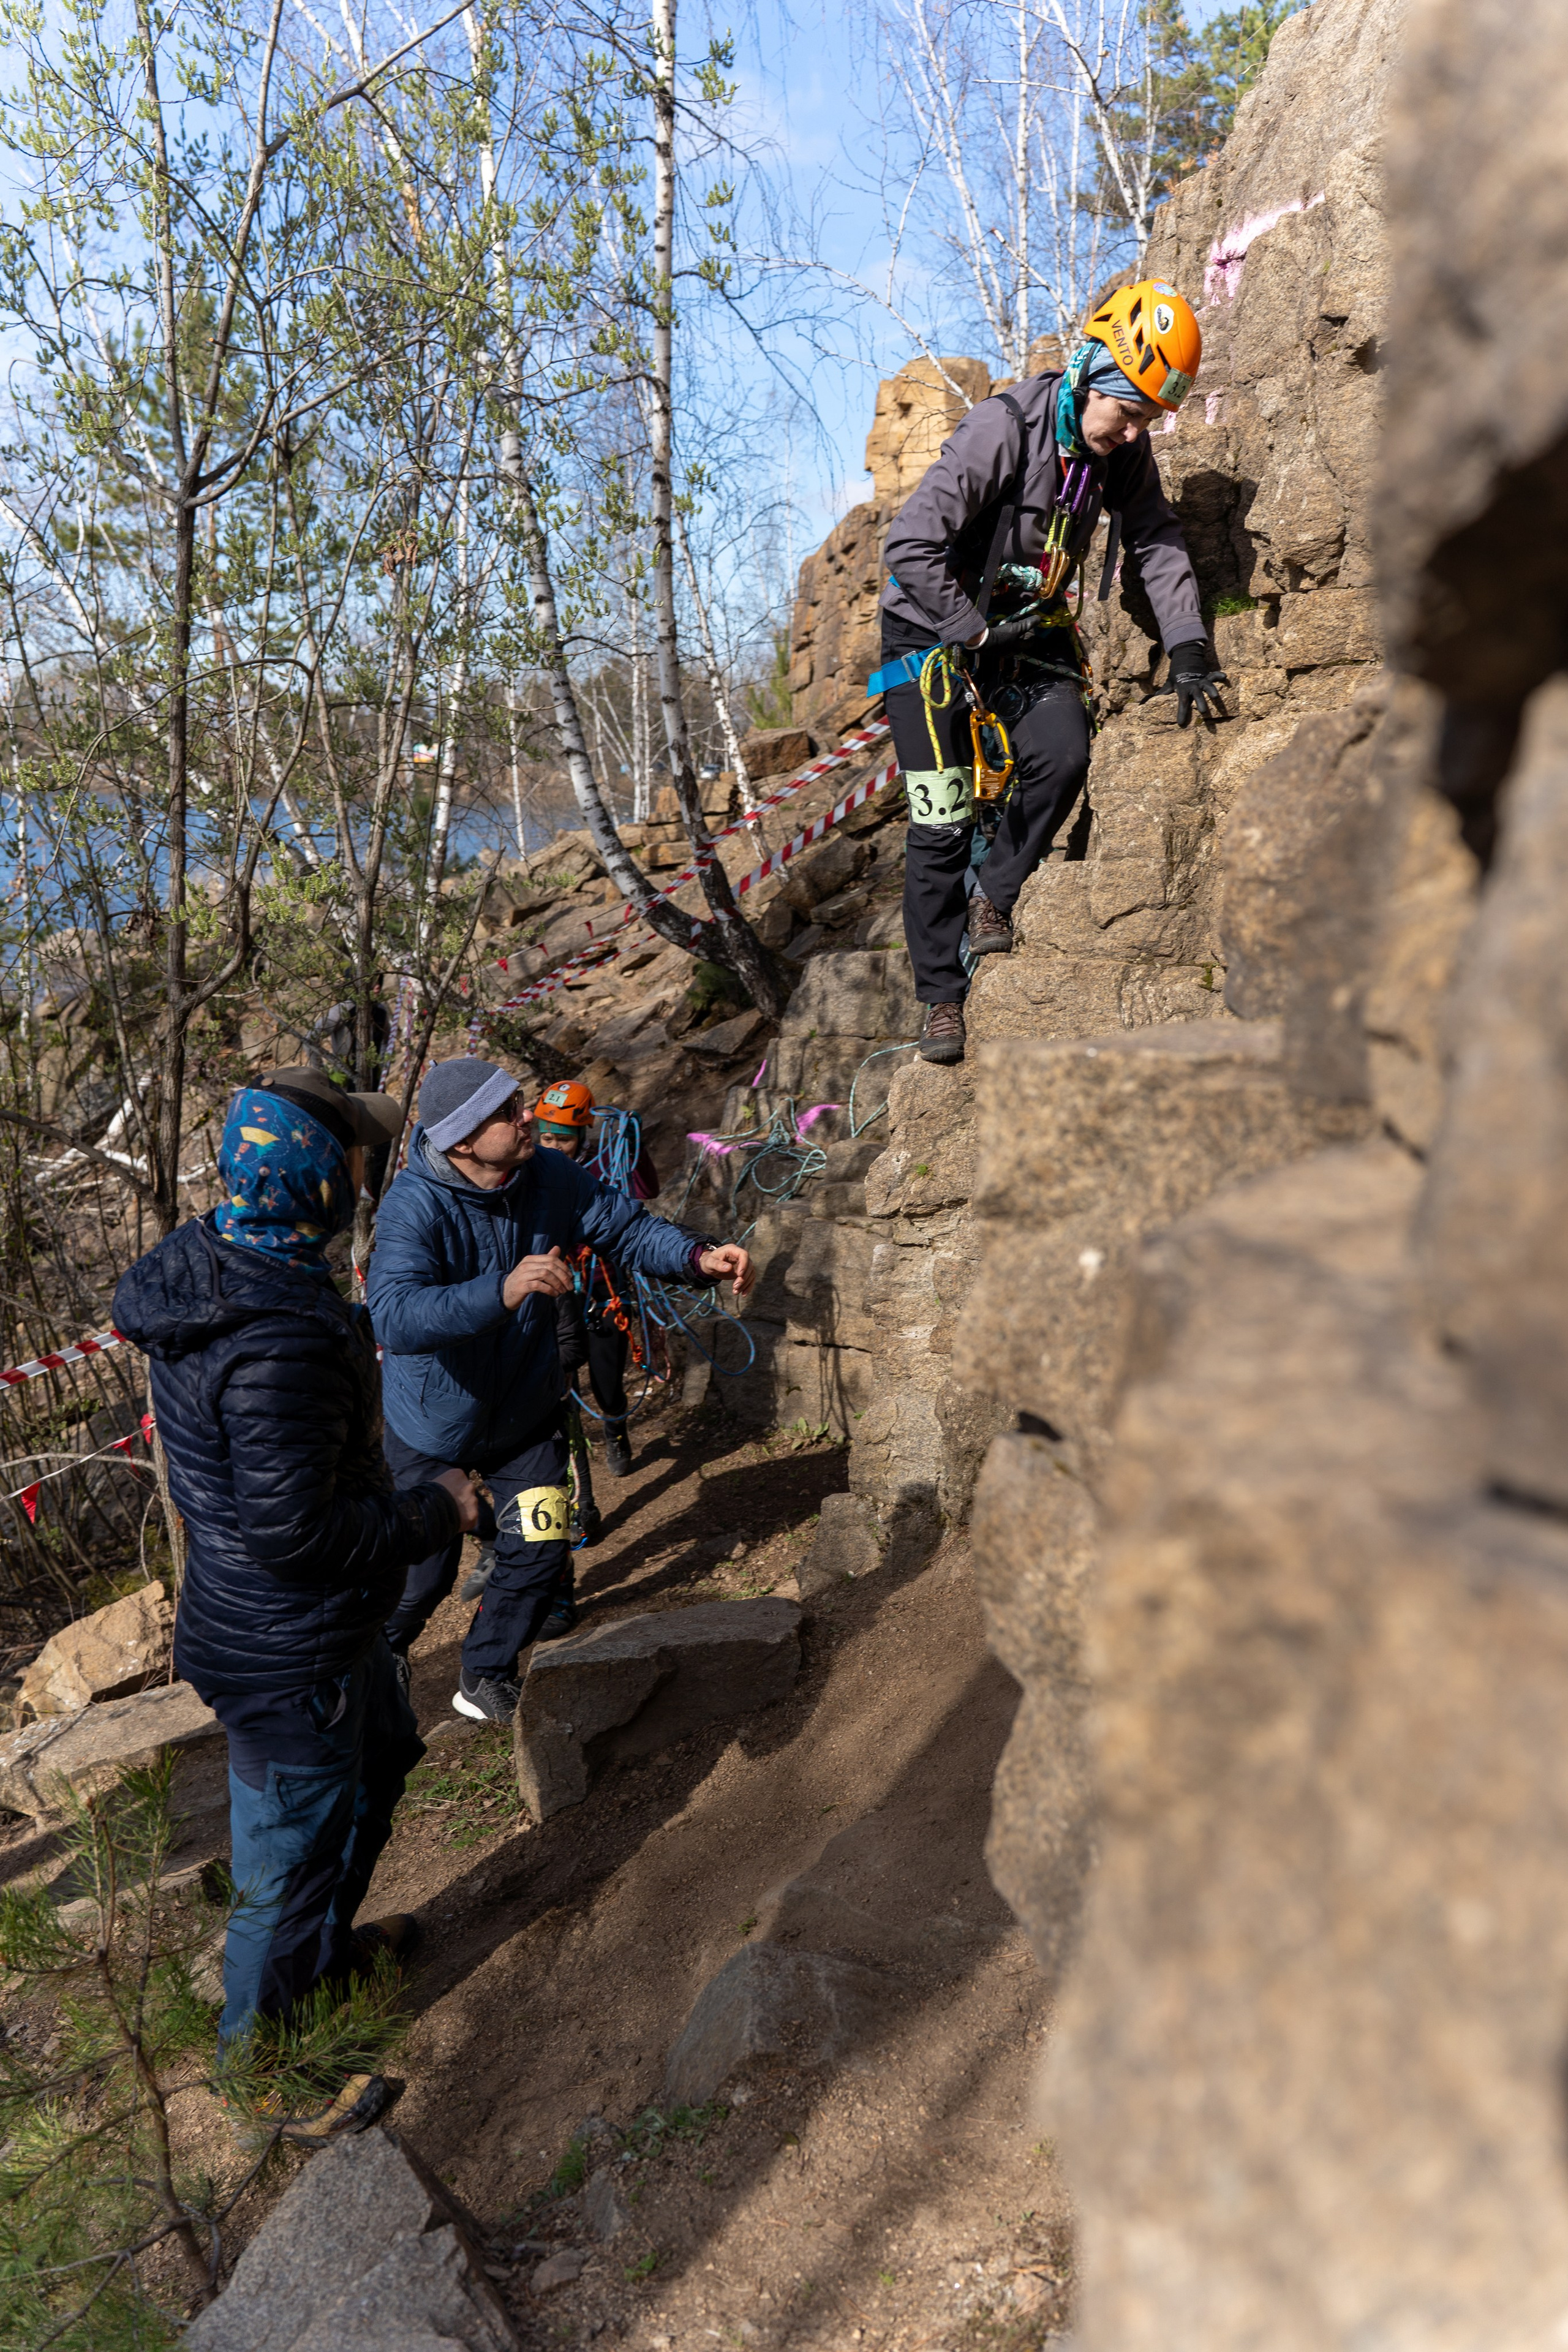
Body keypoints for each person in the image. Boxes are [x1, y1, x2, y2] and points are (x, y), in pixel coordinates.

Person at [111, 1066, 479, 2138]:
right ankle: (264, 2079)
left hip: (309, 1628)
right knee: (287, 1863)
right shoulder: (270, 1338)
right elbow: (295, 1534)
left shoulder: (230, 1265)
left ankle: (322, 1967)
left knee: (380, 1766)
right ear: (321, 1177)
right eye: (355, 1154)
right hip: (289, 1647)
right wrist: (432, 1511)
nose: (368, 1168)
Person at [873, 279, 1229, 1066]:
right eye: (1129, 411)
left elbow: (1156, 540)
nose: (1136, 433)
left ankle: (992, 895)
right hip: (931, 630)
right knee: (940, 820)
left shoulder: (1118, 454)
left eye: (1148, 419)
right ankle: (938, 997)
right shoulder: (1000, 430)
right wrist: (972, 631)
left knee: (1064, 752)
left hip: (1021, 624)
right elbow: (907, 549)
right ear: (1092, 372)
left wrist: (1188, 644)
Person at [369, 1057, 753, 1725]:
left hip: (522, 1407)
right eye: (508, 1114)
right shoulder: (413, 1205)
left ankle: (485, 1672)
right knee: (423, 1578)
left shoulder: (548, 1175)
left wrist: (699, 1258)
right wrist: (501, 1289)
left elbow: (625, 1228)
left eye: (520, 1103)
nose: (529, 1120)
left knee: (543, 1542)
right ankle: (381, 1656)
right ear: (462, 1141)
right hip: (433, 1424)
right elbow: (395, 1316)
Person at [532, 1078, 660, 1481]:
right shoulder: (531, 1167)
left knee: (606, 1384)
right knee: (556, 1386)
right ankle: (564, 1464)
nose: (552, 1147)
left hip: (603, 1290)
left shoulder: (608, 1162)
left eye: (562, 1140)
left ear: (584, 1133)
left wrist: (633, 1146)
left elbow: (647, 1188)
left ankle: (614, 1425)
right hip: (554, 1292)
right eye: (546, 1137)